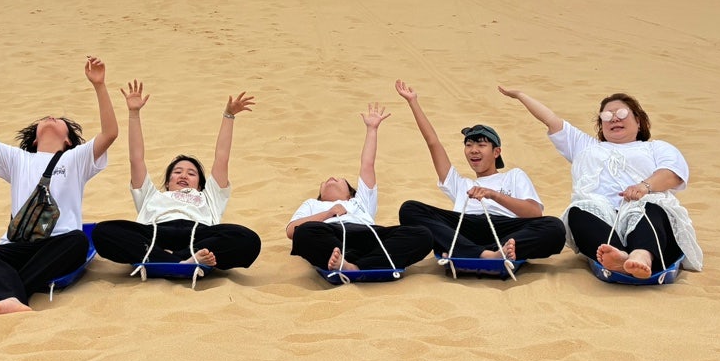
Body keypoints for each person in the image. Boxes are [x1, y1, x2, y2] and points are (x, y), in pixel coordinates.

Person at [0, 50, 118, 316]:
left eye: (58, 120)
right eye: (44, 120)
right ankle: (14, 298)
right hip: (17, 245)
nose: (50, 118)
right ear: (33, 139)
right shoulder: (17, 158)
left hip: (57, 245)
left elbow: (110, 133)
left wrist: (100, 86)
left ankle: (5, 293)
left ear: (68, 140)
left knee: (78, 241)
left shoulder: (75, 158)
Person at [497, 86, 703, 277]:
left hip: (642, 206)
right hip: (601, 213)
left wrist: (644, 187)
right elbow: (551, 120)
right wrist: (520, 95)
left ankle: (641, 256)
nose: (614, 119)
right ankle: (618, 256)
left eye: (621, 114)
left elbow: (673, 172)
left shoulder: (655, 147)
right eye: (606, 116)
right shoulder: (586, 146)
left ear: (638, 121)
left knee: (649, 208)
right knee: (578, 212)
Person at [91, 82, 262, 272]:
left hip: (198, 233)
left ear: (199, 185)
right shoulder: (151, 195)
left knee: (249, 239)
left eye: (191, 173)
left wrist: (229, 115)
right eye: (177, 172)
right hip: (156, 232)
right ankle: (183, 260)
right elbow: (136, 159)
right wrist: (134, 113)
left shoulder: (209, 196)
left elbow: (222, 158)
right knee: (102, 232)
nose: (184, 175)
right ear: (167, 182)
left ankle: (168, 258)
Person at [394, 80, 565, 262]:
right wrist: (413, 102)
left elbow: (534, 212)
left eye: (481, 145)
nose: (473, 150)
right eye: (469, 145)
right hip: (466, 227)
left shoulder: (513, 176)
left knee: (554, 227)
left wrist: (494, 195)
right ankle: (484, 254)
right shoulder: (462, 184)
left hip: (506, 228)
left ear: (496, 152)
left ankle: (479, 250)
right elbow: (432, 142)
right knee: (409, 209)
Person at [286, 104, 433, 274]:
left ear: (350, 194)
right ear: (320, 195)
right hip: (331, 235)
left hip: (368, 234)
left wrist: (372, 129)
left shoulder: (360, 201)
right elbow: (291, 231)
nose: (332, 179)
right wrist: (328, 214)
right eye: (326, 182)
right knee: (304, 233)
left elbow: (367, 165)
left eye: (340, 180)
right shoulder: (312, 204)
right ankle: (344, 260)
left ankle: (356, 266)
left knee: (422, 234)